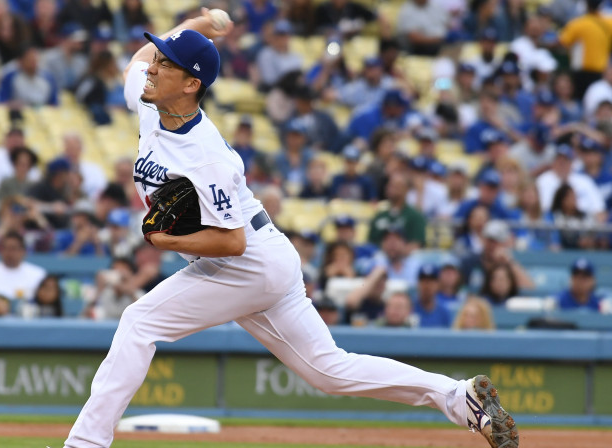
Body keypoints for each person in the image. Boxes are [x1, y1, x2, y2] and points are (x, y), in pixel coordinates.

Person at [61, 12, 518, 448]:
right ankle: (459, 397)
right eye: (157, 59)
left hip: (247, 262)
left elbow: (232, 241)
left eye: (165, 63)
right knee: (330, 372)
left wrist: (165, 240)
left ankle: (84, 443)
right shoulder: (148, 102)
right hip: (257, 259)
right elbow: (137, 61)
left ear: (191, 84)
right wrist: (198, 25)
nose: (152, 68)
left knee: (139, 321)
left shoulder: (209, 158)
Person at [559, 0, 612, 100]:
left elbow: (562, 42)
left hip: (581, 72)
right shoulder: (609, 23)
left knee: (581, 100)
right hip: (600, 71)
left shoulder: (577, 23)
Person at [368, 173, 427, 248]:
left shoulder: (415, 216)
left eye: (396, 186)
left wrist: (396, 252)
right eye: (389, 185)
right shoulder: (380, 215)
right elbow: (371, 243)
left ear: (406, 189)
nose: (390, 188)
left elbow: (416, 244)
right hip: (380, 256)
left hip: (406, 258)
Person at [0, 231, 46, 302]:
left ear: (23, 251)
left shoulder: (38, 274)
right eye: (5, 248)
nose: (9, 253)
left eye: (13, 248)